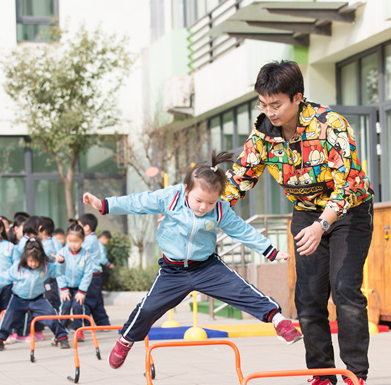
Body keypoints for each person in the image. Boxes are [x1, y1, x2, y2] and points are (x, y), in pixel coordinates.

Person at [223, 60, 374, 385]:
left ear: (297, 98)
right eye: (263, 104)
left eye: (275, 104)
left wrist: (323, 225)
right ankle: (323, 377)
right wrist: (195, 207)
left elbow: (349, 182)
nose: (269, 111)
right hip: (306, 213)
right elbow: (238, 179)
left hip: (347, 211)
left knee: (346, 291)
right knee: (308, 297)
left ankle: (356, 378)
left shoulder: (329, 125)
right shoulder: (262, 134)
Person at [83, 150, 302, 369]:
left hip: (206, 267)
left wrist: (270, 251)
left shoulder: (219, 209)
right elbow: (138, 202)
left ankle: (279, 321)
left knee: (240, 289)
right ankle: (126, 340)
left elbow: (242, 230)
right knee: (149, 308)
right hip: (173, 271)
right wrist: (104, 205)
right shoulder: (171, 197)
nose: (203, 207)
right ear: (186, 189)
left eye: (209, 202)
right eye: (198, 200)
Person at [0, 238, 70, 351]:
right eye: (30, 261)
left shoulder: (46, 267)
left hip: (38, 300)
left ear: (41, 259)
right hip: (18, 299)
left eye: (36, 261)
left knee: (51, 315)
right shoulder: (18, 269)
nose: (33, 264)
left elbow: (59, 271)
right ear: (25, 258)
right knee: (8, 317)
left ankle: (62, 337)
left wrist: (61, 263)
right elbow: (3, 278)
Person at [57, 222, 93, 342]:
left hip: (79, 288)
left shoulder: (86, 255)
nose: (73, 244)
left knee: (78, 307)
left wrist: (82, 291)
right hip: (65, 287)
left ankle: (78, 330)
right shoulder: (62, 253)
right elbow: (59, 272)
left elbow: (87, 274)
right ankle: (60, 331)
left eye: (76, 241)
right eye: (70, 241)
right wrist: (63, 289)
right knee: (65, 307)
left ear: (82, 240)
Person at [78, 213, 111, 327]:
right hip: (95, 275)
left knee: (87, 301)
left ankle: (84, 324)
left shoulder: (88, 241)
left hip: (91, 276)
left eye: (79, 226)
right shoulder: (93, 239)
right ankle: (103, 324)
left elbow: (78, 251)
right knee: (97, 302)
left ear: (86, 227)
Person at [0, 216, 15, 344]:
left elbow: (16, 264)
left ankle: (6, 333)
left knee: (6, 310)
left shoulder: (9, 246)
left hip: (7, 285)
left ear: (1, 229)